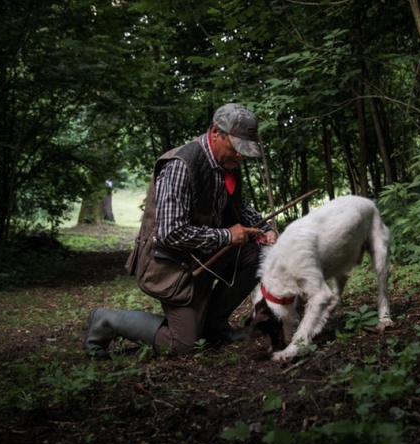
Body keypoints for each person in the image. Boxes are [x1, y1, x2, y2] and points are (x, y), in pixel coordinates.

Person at [85, 103, 277, 359]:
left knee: (262, 252)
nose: (241, 156)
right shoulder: (181, 166)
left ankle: (214, 326)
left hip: (205, 257)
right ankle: (107, 320)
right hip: (175, 266)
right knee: (183, 345)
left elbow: (238, 206)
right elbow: (170, 233)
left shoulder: (227, 164)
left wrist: (265, 229)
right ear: (215, 132)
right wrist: (227, 236)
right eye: (236, 147)